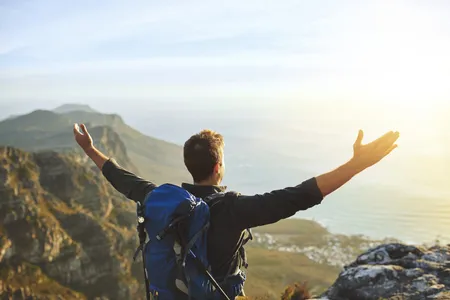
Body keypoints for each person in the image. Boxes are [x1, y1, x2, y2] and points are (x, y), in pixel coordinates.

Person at [73, 123, 399, 298]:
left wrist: (90, 149)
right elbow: (300, 195)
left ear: (190, 166)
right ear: (218, 168)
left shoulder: (160, 198)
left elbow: (122, 179)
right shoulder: (233, 209)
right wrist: (357, 164)